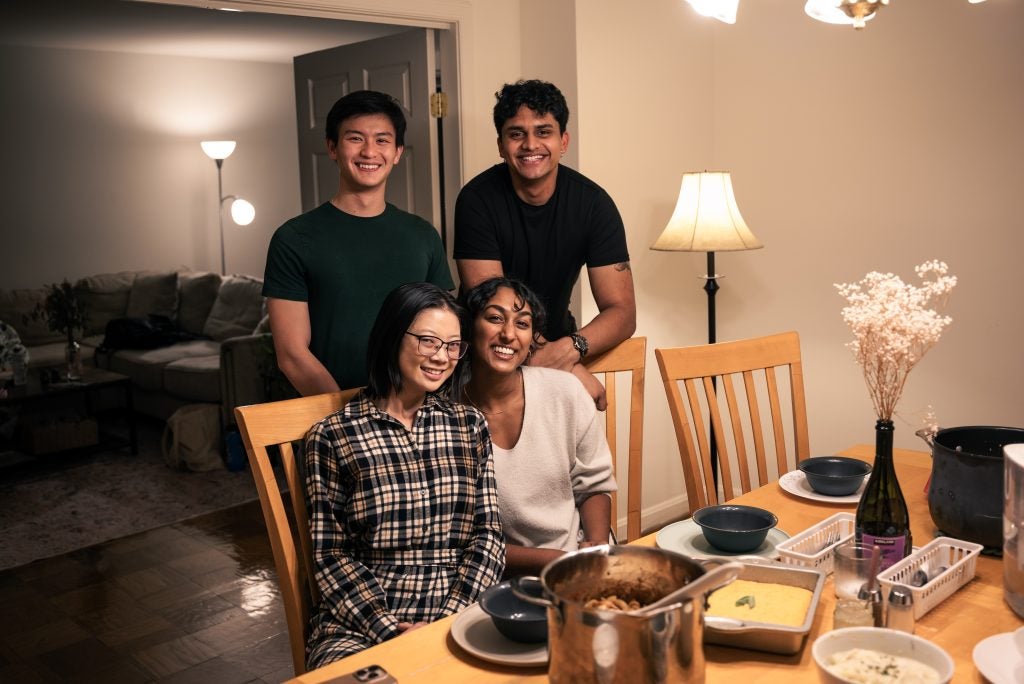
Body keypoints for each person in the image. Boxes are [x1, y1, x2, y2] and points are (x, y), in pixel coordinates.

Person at [304, 282, 505, 667]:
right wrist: (388, 630)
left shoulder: (468, 425)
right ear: (393, 336)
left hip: (458, 609)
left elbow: (489, 536)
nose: (442, 357)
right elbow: (329, 555)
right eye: (428, 341)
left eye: (452, 346)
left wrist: (450, 618)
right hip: (361, 622)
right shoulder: (333, 436)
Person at [453, 79, 636, 408]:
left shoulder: (593, 204)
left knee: (567, 460)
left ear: (563, 141)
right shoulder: (476, 200)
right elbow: (495, 309)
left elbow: (622, 312)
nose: (530, 144)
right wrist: (570, 370)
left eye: (543, 131)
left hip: (557, 347)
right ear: (500, 144)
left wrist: (570, 351)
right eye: (517, 133)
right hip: (483, 363)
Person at [264, 90, 454, 395]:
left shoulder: (423, 235)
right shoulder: (294, 238)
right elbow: (292, 356)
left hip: (413, 410)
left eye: (382, 140)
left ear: (397, 152)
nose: (369, 151)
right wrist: (353, 418)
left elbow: (441, 334)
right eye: (355, 138)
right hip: (327, 415)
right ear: (332, 147)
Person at [460, 276, 616, 577]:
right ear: (469, 326)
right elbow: (461, 538)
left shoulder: (565, 391)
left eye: (522, 324)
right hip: (491, 574)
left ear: (533, 338)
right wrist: (557, 561)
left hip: (578, 560)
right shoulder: (445, 415)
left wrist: (594, 546)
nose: (508, 334)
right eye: (495, 318)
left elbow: (594, 484)